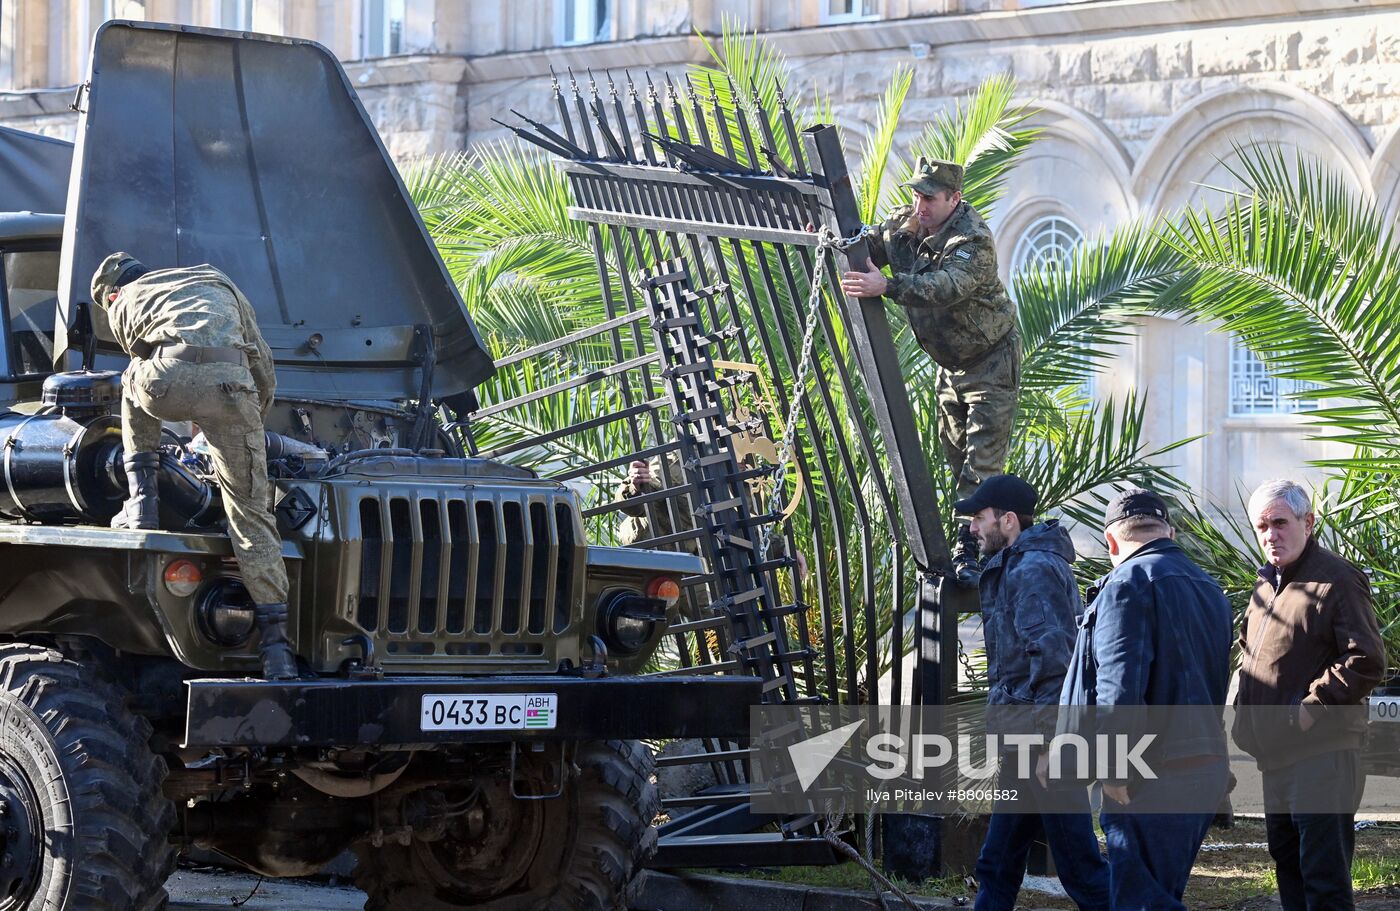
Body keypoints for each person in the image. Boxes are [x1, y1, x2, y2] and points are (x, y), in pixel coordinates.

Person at [90, 252, 297, 680]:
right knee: (252, 515)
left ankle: (141, 501)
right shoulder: (215, 279)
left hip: (164, 383)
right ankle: (277, 651)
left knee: (133, 378)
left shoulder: (124, 303)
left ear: (110, 294)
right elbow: (262, 363)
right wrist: (249, 426)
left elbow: (151, 360)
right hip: (231, 386)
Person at [839, 158, 1019, 588]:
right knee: (956, 457)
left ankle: (971, 551)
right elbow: (868, 246)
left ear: (954, 199)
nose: (920, 205)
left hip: (989, 361)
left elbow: (944, 287)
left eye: (930, 198)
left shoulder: (972, 240)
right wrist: (829, 235)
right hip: (950, 365)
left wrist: (889, 286)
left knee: (981, 463)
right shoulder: (908, 223)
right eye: (916, 195)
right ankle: (974, 537)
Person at [1058, 487, 1234, 911]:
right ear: (1169, 532)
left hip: (1151, 778)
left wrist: (1114, 767)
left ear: (1112, 542)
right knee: (1156, 895)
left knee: (1141, 902)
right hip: (1202, 771)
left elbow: (1120, 686)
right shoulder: (1210, 588)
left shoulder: (1125, 583)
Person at [955, 474, 1109, 911]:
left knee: (1081, 869)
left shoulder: (1034, 569)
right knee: (998, 862)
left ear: (1007, 520)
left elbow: (1054, 661)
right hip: (1024, 738)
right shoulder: (1017, 563)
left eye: (978, 518)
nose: (972, 528)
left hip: (1042, 743)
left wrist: (1046, 747)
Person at [1233, 479, 1386, 911]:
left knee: (1323, 878)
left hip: (1322, 752)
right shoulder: (1266, 585)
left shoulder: (1336, 579)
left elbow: (1367, 660)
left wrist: (1308, 711)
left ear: (1308, 521)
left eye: (1280, 523)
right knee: (1289, 868)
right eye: (1261, 526)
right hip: (1275, 754)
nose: (1270, 535)